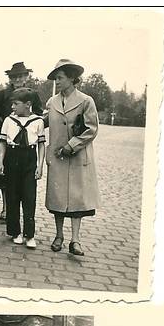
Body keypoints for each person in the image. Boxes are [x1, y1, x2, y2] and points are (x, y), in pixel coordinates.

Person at [44, 59, 100, 257]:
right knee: (58, 199)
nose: (56, 82)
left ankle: (75, 240)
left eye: (59, 78)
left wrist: (72, 145)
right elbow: (43, 122)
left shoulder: (86, 101)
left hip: (77, 158)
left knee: (77, 200)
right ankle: (58, 236)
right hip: (57, 157)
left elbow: (91, 129)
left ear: (71, 78)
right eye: (55, 79)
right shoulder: (52, 102)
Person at [0, 62, 44, 223]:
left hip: (26, 139)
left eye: (20, 76)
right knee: (5, 177)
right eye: (14, 76)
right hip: (8, 136)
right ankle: (6, 207)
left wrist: (29, 123)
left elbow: (39, 114)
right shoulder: (3, 94)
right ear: (10, 78)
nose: (17, 79)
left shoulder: (32, 95)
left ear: (26, 77)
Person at [0, 88, 45, 248]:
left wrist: (40, 166)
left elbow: (41, 144)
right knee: (12, 197)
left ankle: (29, 235)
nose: (12, 107)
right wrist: (1, 162)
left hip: (29, 160)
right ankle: (15, 232)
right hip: (12, 158)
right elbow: (2, 143)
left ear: (28, 104)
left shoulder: (38, 121)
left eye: (16, 104)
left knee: (29, 197)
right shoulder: (8, 121)